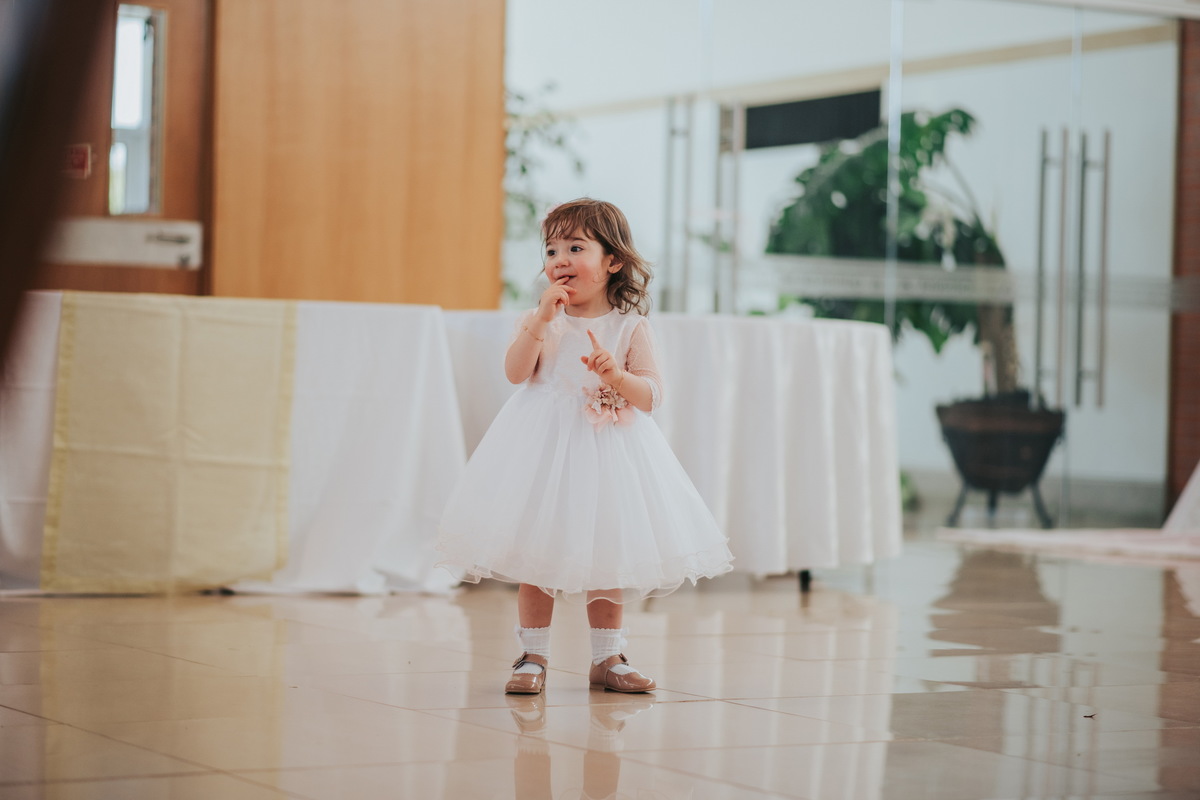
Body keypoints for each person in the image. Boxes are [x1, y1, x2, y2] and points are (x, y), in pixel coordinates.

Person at [436, 198, 733, 695]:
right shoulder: (541, 320)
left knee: (606, 551)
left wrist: (616, 376)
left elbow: (651, 395)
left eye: (576, 248)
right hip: (541, 450)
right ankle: (532, 655)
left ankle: (607, 657)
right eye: (552, 250)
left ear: (612, 260)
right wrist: (539, 321)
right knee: (536, 552)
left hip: (608, 452)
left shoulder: (629, 326)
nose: (561, 260)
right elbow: (515, 373)